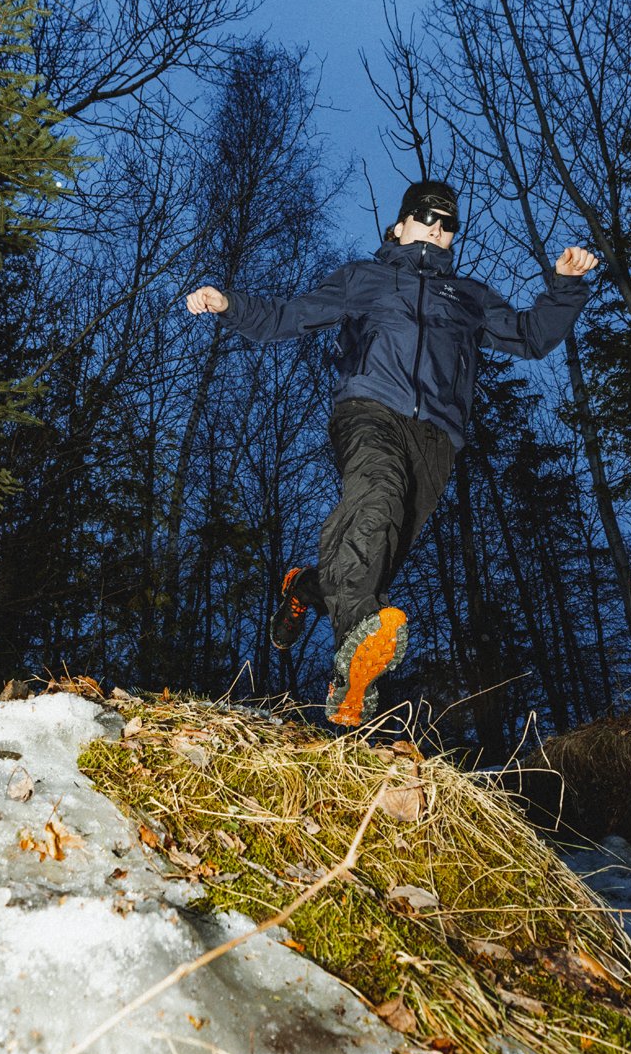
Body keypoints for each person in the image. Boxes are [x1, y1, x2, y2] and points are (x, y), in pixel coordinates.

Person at [186, 180, 598, 726]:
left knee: (378, 551)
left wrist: (566, 287)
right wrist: (230, 303)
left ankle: (304, 588)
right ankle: (351, 670)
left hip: (437, 439)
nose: (437, 226)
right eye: (426, 216)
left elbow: (529, 336)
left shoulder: (469, 297)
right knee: (374, 505)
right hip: (369, 411)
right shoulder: (366, 278)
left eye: (448, 222)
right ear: (399, 225)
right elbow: (290, 315)